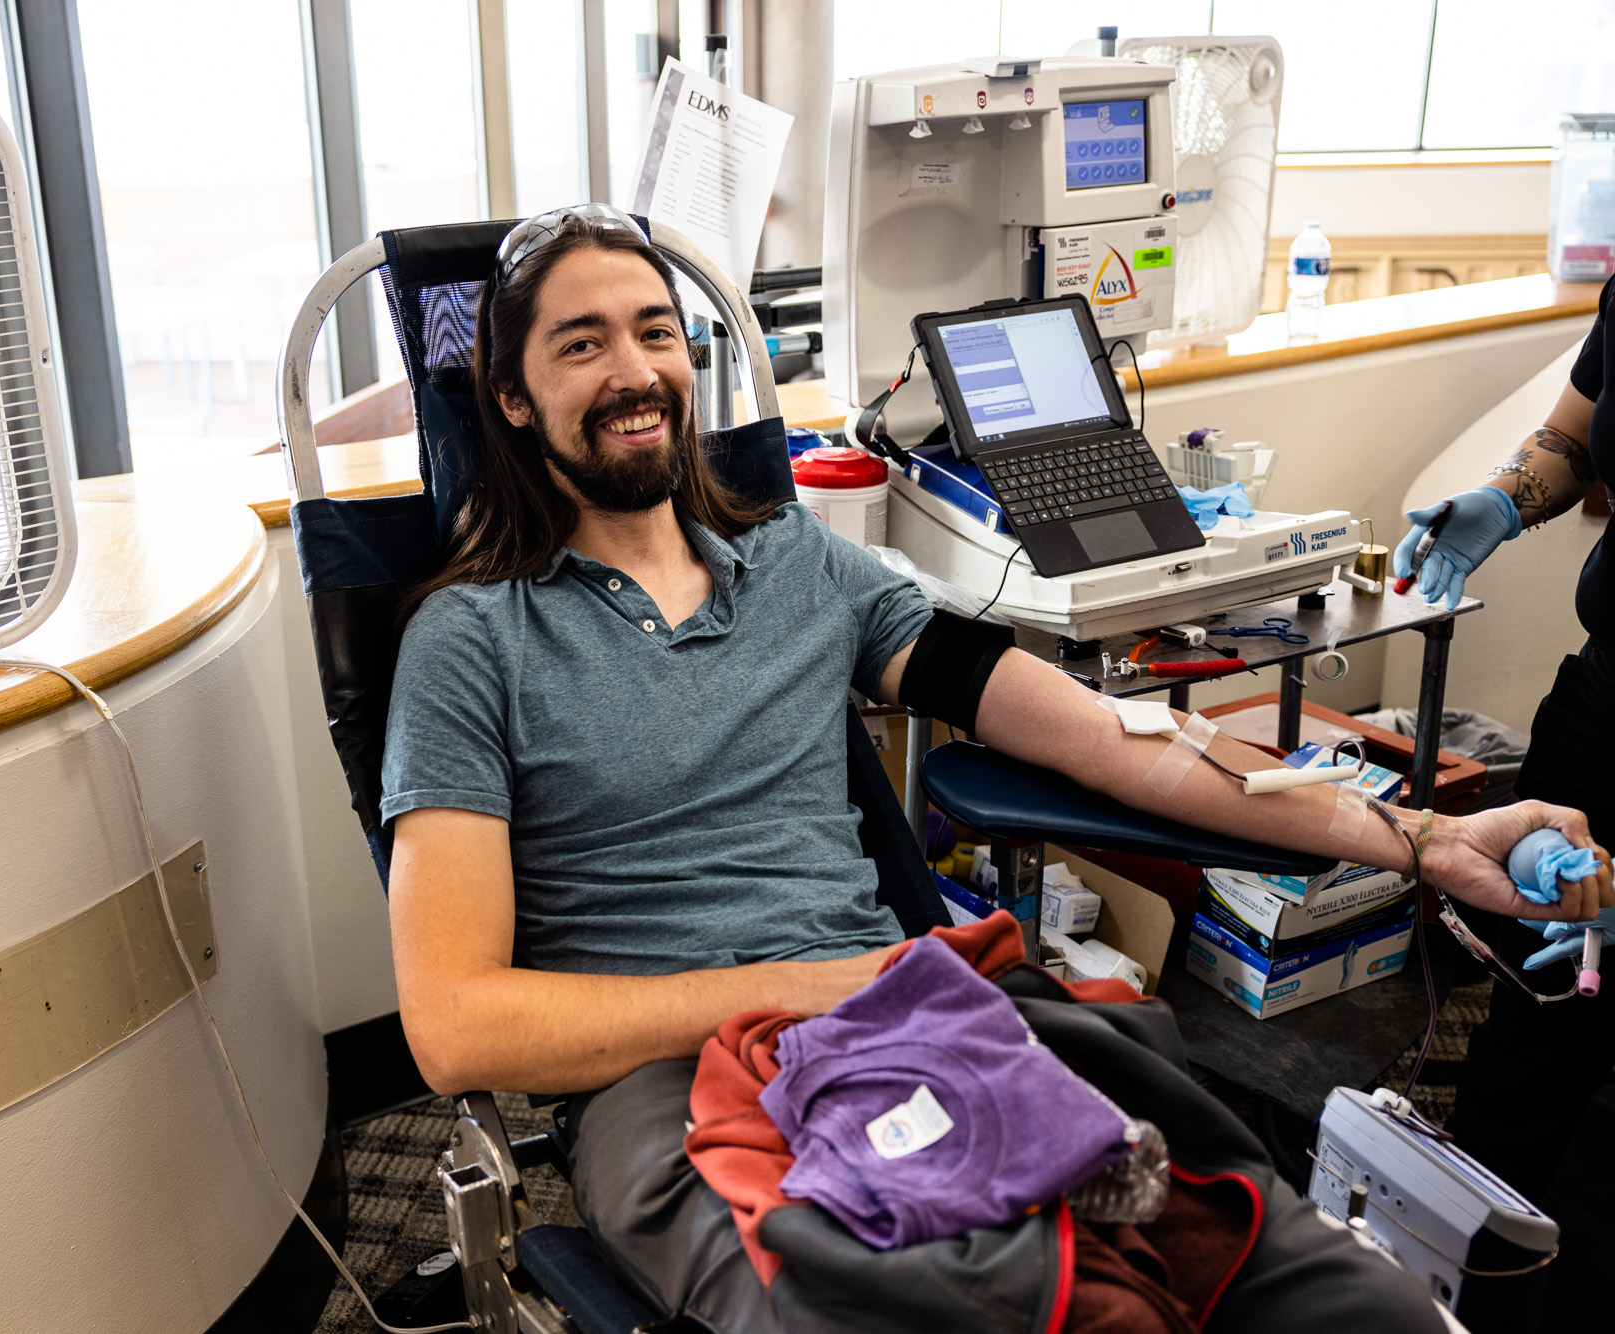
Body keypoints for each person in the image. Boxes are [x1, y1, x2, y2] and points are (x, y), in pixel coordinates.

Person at [380, 205, 1613, 1334]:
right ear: (509, 399)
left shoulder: (803, 569)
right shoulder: (471, 640)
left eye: (654, 331)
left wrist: (1426, 837)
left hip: (904, 1008)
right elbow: (453, 1024)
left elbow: (1120, 739)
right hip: (669, 1081)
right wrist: (803, 985)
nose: (634, 369)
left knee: (1290, 1270)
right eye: (579, 345)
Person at [1395, 272, 1615, 1258]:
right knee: (1528, 1037)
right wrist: (1500, 495)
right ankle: (1481, 1270)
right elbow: (1572, 439)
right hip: (1602, 711)